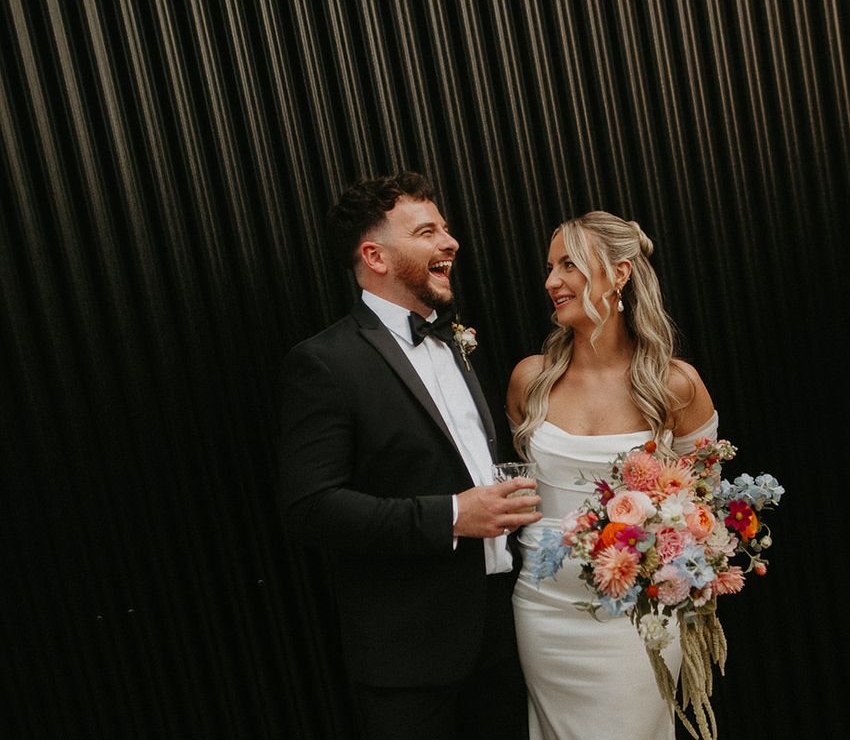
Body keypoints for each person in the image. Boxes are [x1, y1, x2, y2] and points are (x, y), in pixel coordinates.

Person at [279, 172, 540, 740]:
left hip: (505, 634)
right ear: (375, 255)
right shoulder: (325, 362)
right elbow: (311, 507)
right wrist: (450, 516)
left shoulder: (458, 342)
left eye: (445, 229)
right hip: (410, 656)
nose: (450, 242)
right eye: (427, 232)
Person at [506, 211, 718, 740]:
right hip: (544, 609)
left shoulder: (674, 385)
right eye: (550, 267)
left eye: (569, 265)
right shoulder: (529, 381)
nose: (551, 281)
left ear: (619, 273)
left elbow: (705, 508)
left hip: (635, 618)